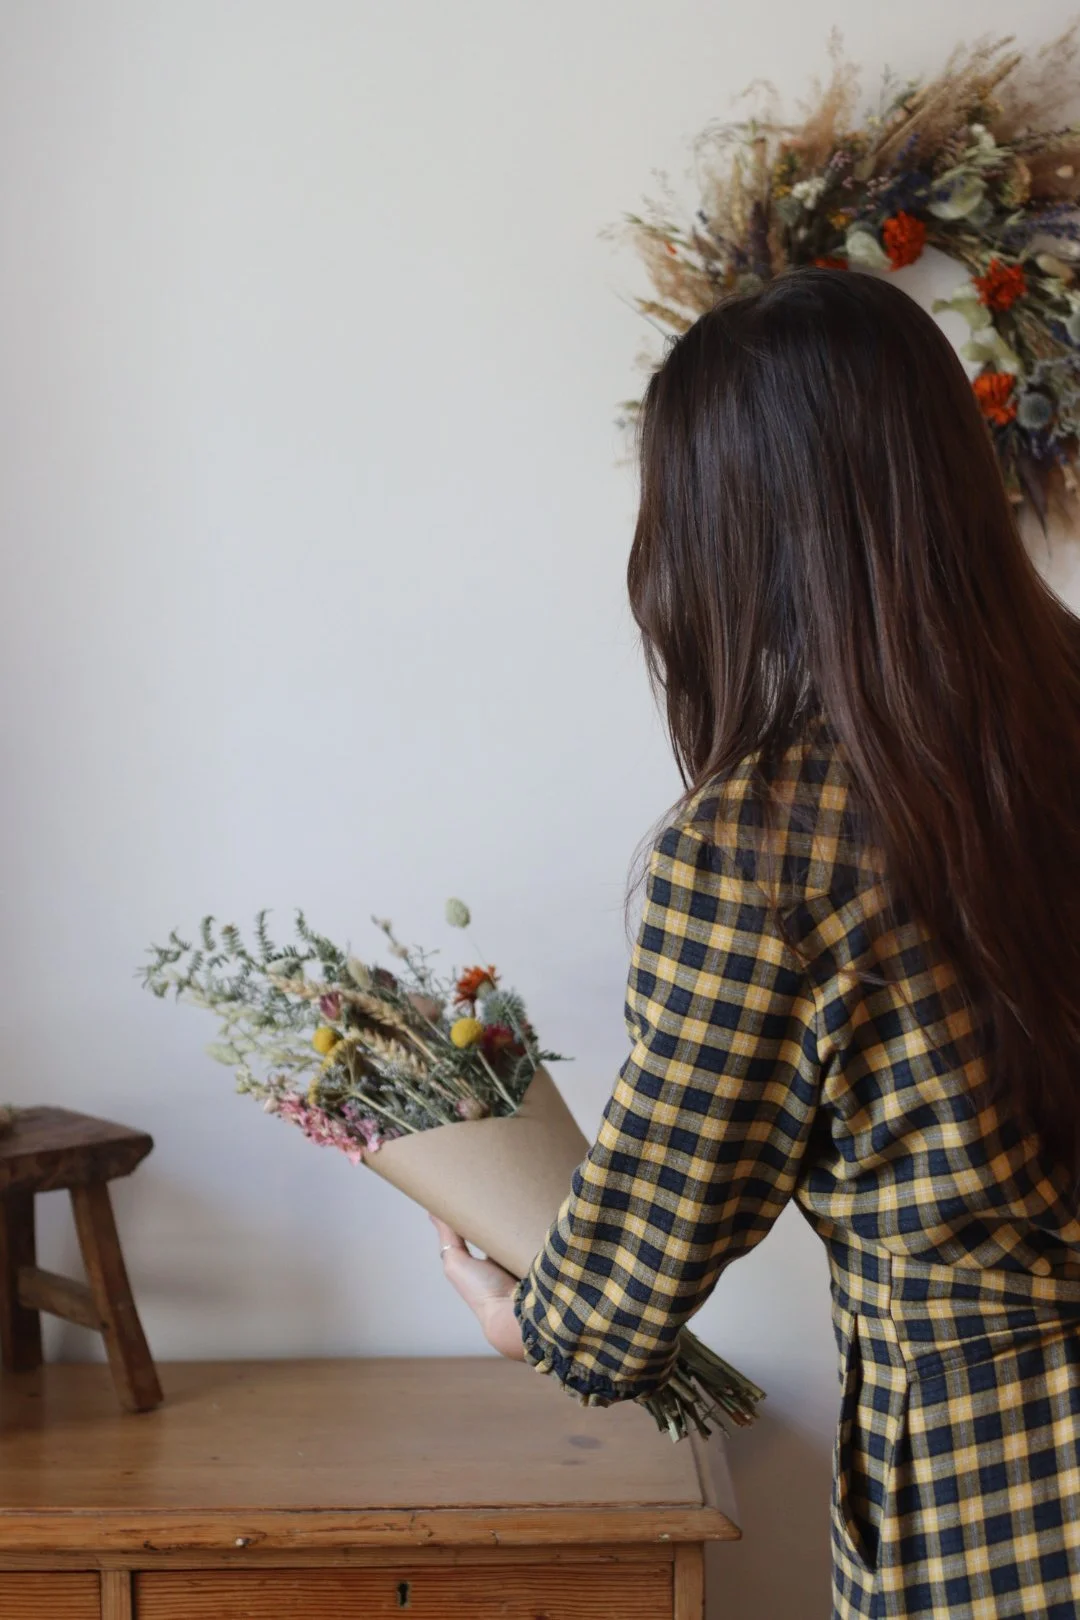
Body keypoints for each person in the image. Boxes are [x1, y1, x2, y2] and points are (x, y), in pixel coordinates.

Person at [431, 266, 1080, 1620]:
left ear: (730, 529)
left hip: (1005, 1501)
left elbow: (620, 1295)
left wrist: (518, 1316)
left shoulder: (762, 849)